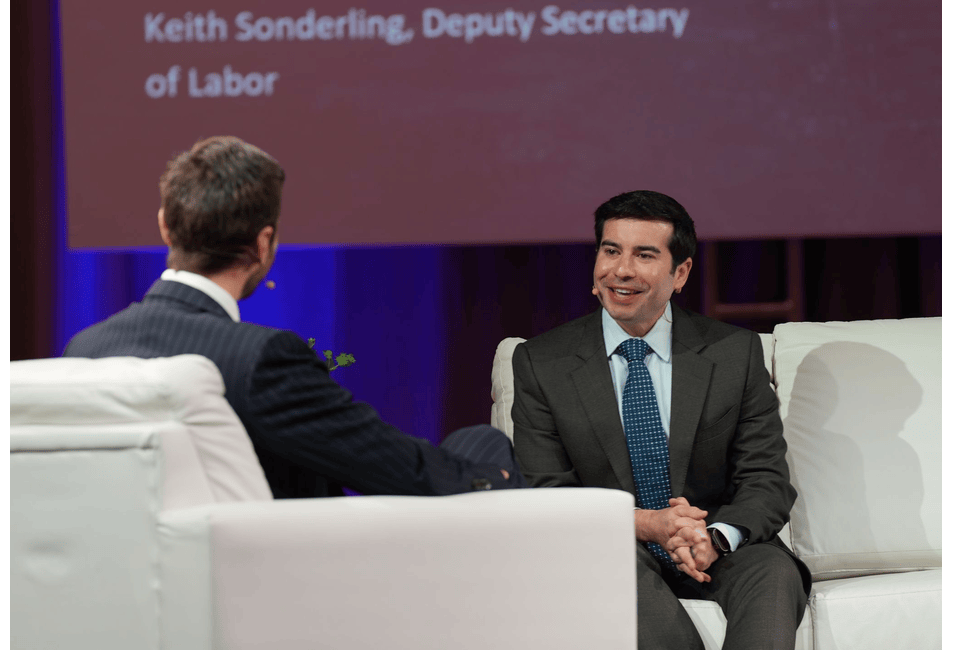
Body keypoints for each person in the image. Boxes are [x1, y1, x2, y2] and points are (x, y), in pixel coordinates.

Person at [64, 135, 524, 497]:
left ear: (165, 226)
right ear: (263, 243)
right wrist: (492, 477)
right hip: (277, 570)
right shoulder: (261, 359)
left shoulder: (85, 349)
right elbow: (394, 466)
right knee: (483, 444)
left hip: (137, 570)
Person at [511, 190, 811, 650]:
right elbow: (547, 493)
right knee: (612, 568)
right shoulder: (542, 362)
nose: (621, 270)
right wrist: (649, 524)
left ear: (681, 273)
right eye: (611, 251)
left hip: (714, 543)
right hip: (614, 546)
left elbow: (765, 479)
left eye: (644, 255)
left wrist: (715, 538)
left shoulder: (734, 353)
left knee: (772, 572)